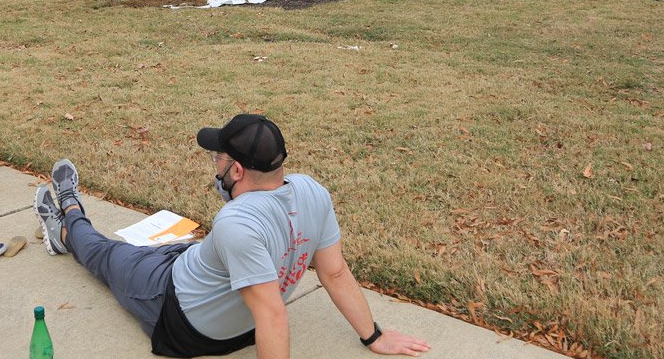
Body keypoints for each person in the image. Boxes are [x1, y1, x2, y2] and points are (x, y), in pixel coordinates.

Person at [32, 114, 431, 358]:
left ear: (236, 171)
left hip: (176, 314)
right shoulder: (312, 190)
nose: (215, 165)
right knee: (181, 249)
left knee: (107, 255)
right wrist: (373, 336)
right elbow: (336, 273)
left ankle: (68, 222)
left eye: (218, 158)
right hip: (201, 274)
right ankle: (98, 230)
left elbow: (272, 316)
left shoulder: (236, 223)